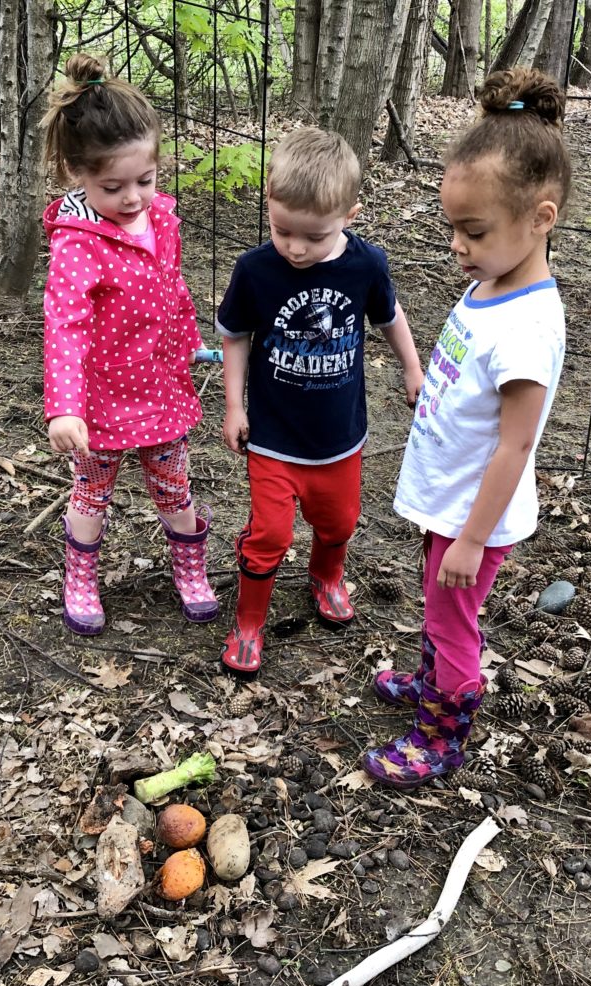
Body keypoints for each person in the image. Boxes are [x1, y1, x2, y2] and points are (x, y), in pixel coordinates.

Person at [363, 68, 572, 789]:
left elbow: (516, 443)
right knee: (438, 605)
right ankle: (431, 687)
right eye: (453, 227)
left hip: (471, 515)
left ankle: (442, 731)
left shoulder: (527, 327)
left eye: (473, 230)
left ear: (539, 218)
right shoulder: (489, 282)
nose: (457, 244)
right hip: (447, 495)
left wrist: (473, 536)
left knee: (453, 620)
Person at [216, 127, 423, 676]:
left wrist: (412, 368)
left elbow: (390, 317)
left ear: (350, 215)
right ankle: (250, 621)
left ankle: (327, 576)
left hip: (337, 438)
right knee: (270, 535)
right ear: (269, 205)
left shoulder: (366, 266)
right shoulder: (256, 270)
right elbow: (235, 335)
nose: (296, 248)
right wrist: (234, 406)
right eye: (283, 231)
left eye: (313, 235)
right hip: (274, 436)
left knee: (339, 523)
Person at [42, 54, 217, 635]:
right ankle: (81, 578)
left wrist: (189, 343)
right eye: (112, 186)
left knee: (174, 484)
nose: (133, 198)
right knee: (92, 491)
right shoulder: (77, 243)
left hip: (160, 390)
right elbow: (64, 324)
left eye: (145, 180)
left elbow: (173, 287)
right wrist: (64, 405)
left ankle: (190, 569)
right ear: (77, 174)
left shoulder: (162, 220)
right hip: (99, 402)